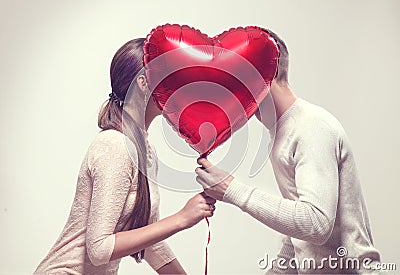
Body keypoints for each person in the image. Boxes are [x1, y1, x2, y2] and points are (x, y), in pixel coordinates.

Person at [195, 29, 381, 274]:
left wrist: (232, 190)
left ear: (264, 75)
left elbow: (316, 223)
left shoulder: (311, 126)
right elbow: (298, 239)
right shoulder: (281, 132)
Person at [34, 38, 216, 275]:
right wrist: (181, 218)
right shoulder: (115, 146)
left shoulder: (146, 153)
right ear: (143, 83)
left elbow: (151, 244)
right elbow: (99, 249)